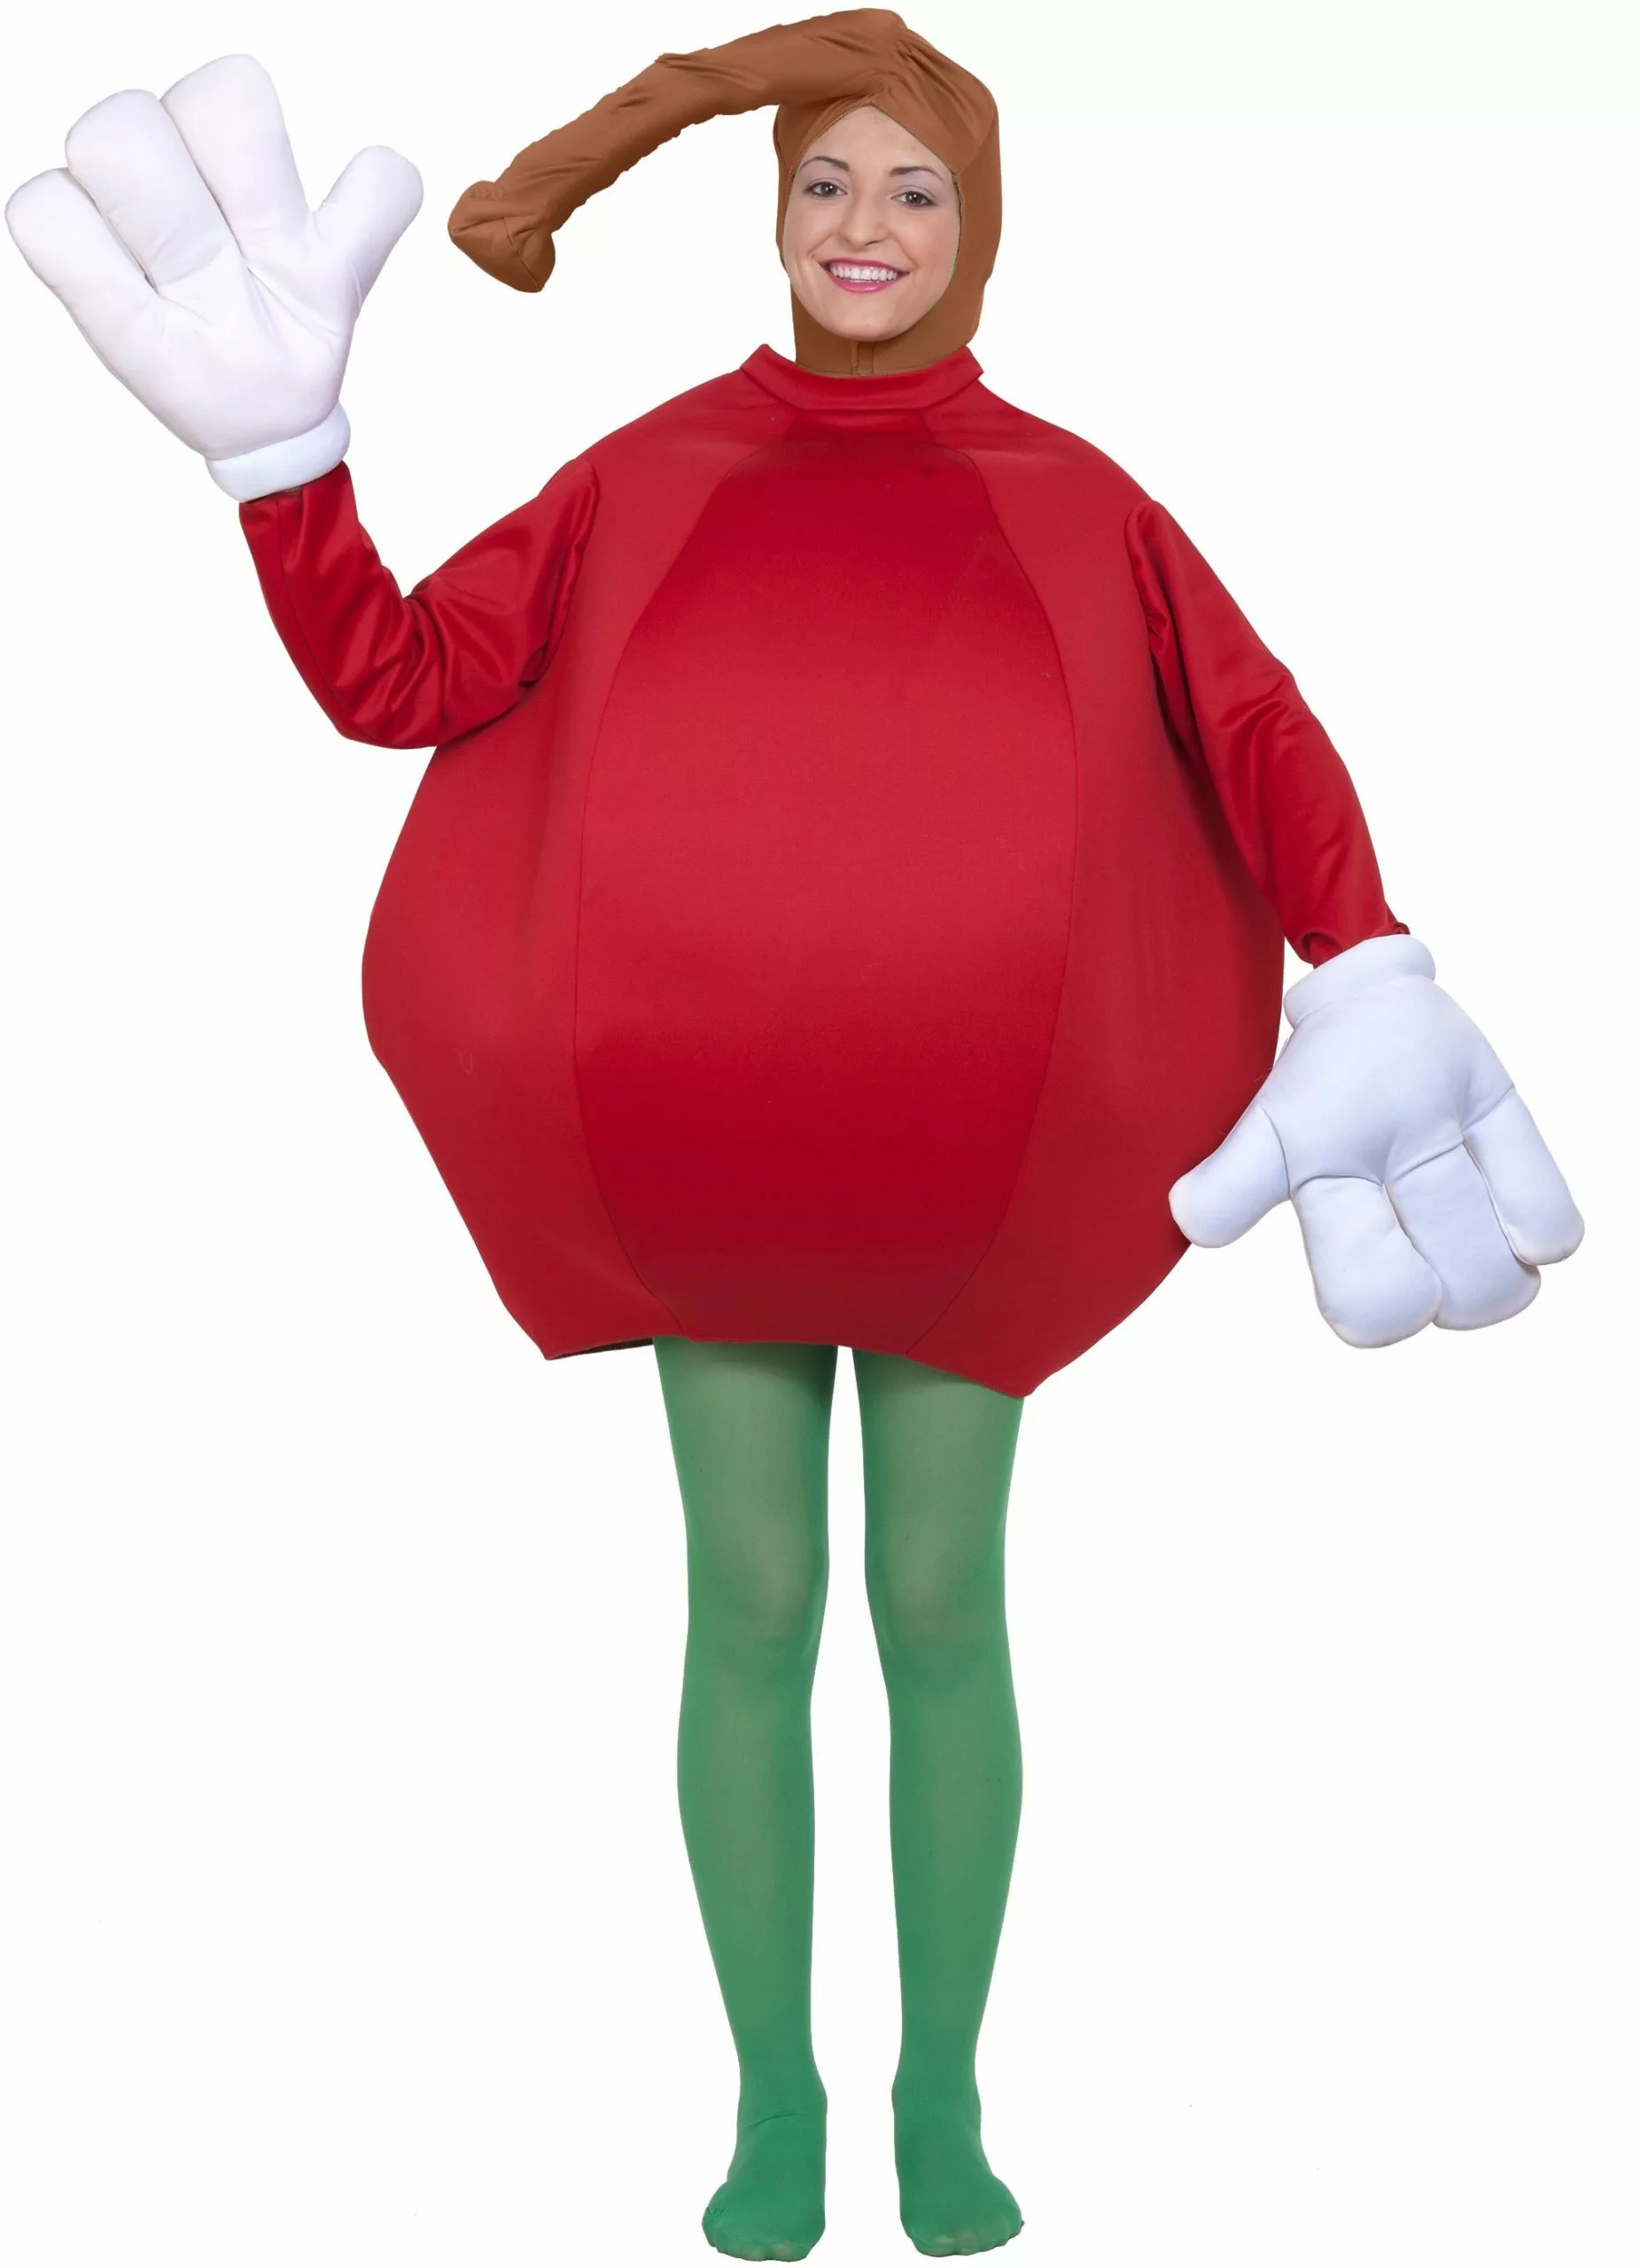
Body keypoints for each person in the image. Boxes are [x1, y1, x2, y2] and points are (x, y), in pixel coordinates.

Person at [6, 12, 1582, 2258]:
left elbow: (1253, 725)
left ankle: (939, 2087)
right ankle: (771, 2094)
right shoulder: (644, 472)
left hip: (979, 1182)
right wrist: (289, 473)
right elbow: (406, 680)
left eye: (912, 188)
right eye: (825, 181)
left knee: (940, 1597)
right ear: (768, 213)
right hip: (701, 1164)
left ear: (980, 225)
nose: (864, 224)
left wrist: (1370, 953)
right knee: (747, 1596)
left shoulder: (1083, 500)